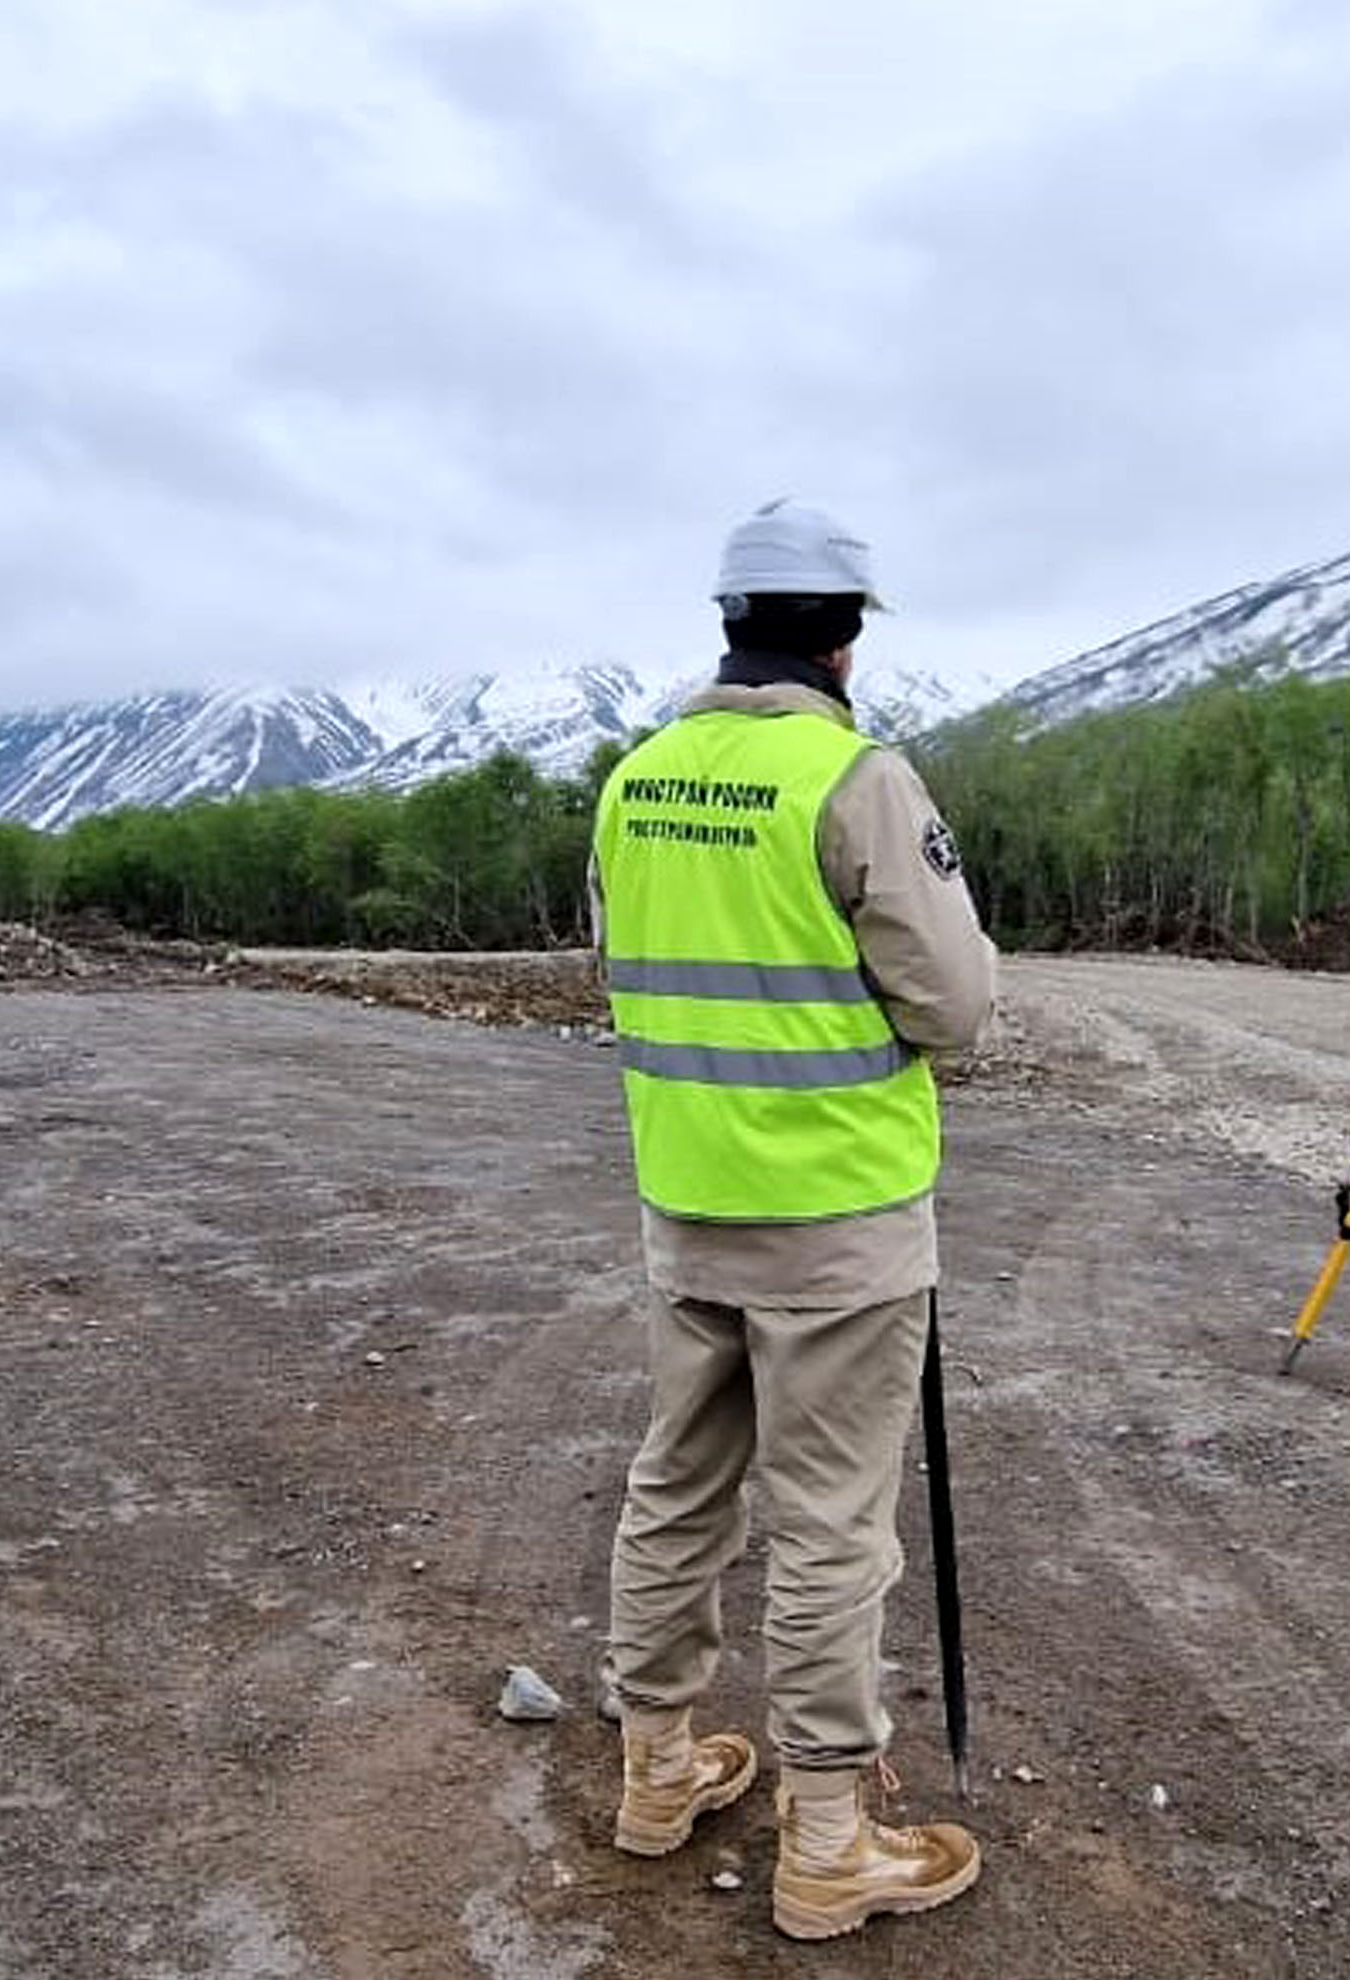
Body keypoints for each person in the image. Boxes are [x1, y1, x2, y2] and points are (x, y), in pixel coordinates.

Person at [590, 498, 1000, 1940]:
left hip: (686, 1197)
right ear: (842, 639)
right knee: (829, 1526)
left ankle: (658, 1773)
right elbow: (953, 1002)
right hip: (836, 1216)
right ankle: (828, 1839)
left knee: (680, 1481)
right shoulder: (855, 778)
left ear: (728, 623)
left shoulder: (636, 777)